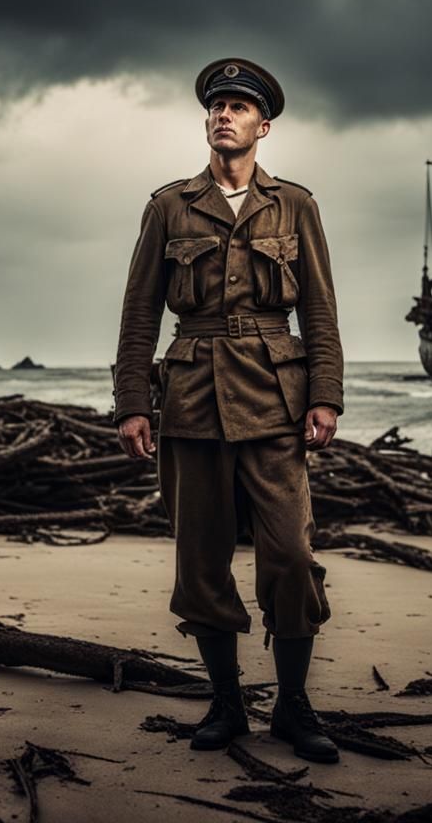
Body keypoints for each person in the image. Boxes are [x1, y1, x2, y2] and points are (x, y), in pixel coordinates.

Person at [112, 57, 344, 763]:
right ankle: (227, 703)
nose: (224, 115)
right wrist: (132, 404)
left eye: (240, 107)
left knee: (293, 555)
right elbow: (140, 313)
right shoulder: (169, 207)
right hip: (193, 401)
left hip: (277, 401)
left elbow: (320, 310)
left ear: (262, 126)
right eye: (217, 107)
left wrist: (326, 395)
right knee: (200, 562)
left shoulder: (296, 205)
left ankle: (296, 707)